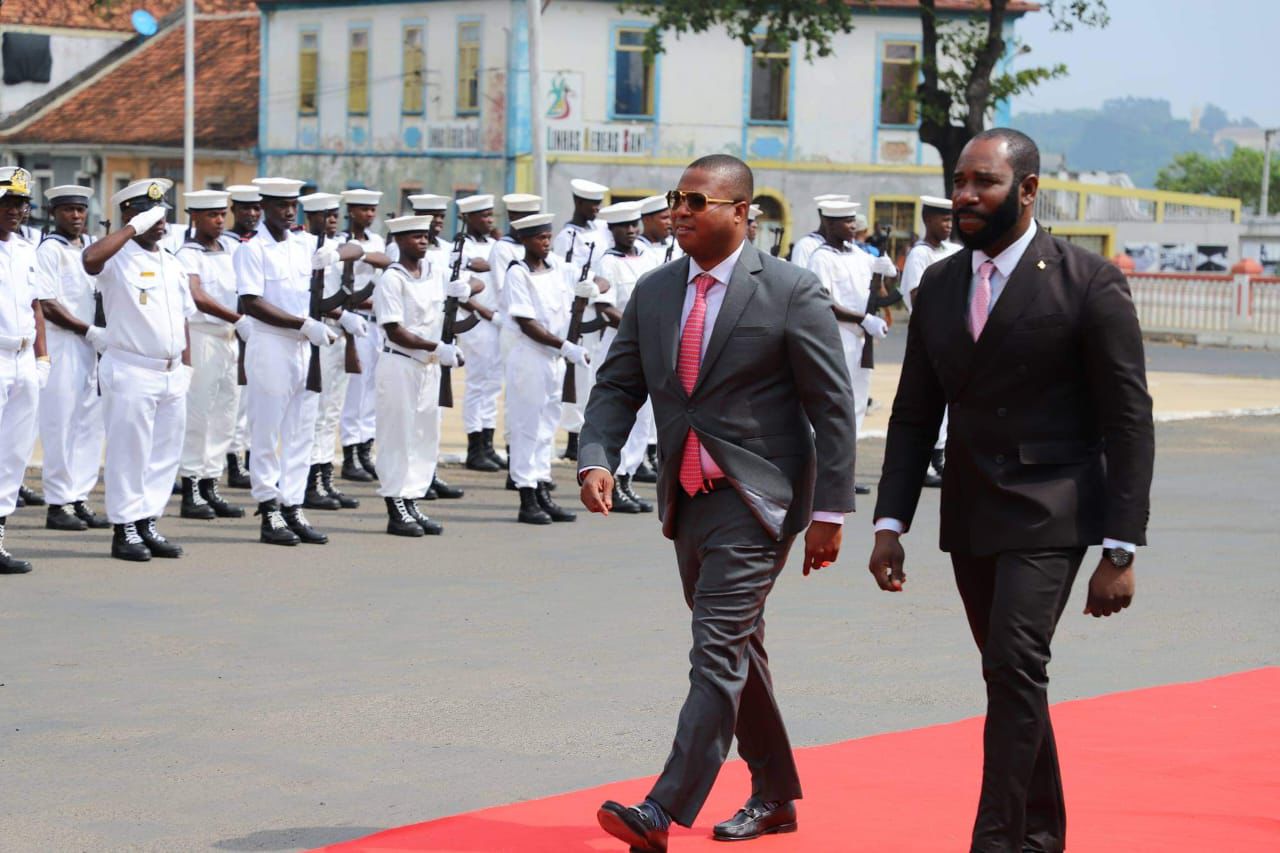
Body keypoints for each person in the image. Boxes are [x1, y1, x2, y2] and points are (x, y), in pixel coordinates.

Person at [867, 129, 1155, 853]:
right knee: (1010, 678)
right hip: (970, 510)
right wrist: (890, 520)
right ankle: (1041, 834)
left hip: (1053, 507)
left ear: (1027, 190)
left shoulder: (1086, 280)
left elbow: (1128, 419)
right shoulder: (937, 283)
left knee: (1015, 663)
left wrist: (1120, 545)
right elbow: (913, 413)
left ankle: (996, 841)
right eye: (960, 181)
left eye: (983, 182)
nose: (964, 195)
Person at [578, 155, 857, 851]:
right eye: (676, 200)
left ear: (742, 212)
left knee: (715, 651)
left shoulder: (791, 289)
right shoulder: (654, 291)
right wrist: (597, 456)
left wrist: (830, 512)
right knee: (739, 651)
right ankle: (775, 793)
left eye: (696, 201)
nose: (678, 212)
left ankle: (662, 808)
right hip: (690, 495)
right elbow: (617, 385)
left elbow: (832, 406)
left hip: (759, 498)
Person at [233, 177, 355, 547]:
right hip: (272, 344)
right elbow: (251, 302)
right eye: (281, 206)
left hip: (305, 347)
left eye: (292, 206)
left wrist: (334, 255)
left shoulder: (305, 245)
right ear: (265, 207)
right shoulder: (252, 249)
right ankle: (269, 508)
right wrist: (303, 323)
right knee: (267, 432)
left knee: (302, 430)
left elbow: (357, 252)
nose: (288, 212)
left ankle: (294, 505)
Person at [81, 178, 195, 562]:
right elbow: (89, 261)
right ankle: (124, 527)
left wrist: (186, 368)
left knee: (164, 453)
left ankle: (147, 520)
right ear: (129, 214)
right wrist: (132, 229)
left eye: (163, 212)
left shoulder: (172, 261)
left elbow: (183, 318)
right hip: (131, 369)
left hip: (171, 371)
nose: (160, 220)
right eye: (150, 213)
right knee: (130, 453)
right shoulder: (116, 257)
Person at [373, 214, 471, 536]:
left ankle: (413, 498)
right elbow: (394, 330)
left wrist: (467, 287)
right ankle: (395, 503)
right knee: (397, 436)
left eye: (425, 235)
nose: (422, 240)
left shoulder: (435, 272)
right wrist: (437, 346)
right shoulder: (393, 278)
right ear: (399, 241)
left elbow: (475, 284)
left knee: (424, 436)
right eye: (414, 236)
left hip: (428, 366)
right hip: (401, 363)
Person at [503, 213, 590, 524]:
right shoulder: (518, 273)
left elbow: (586, 284)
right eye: (540, 238)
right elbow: (527, 323)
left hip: (553, 359)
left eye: (548, 237)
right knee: (527, 428)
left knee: (546, 428)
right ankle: (526, 498)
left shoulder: (555, 269)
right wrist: (566, 347)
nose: (546, 242)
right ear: (525, 240)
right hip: (530, 357)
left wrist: (591, 288)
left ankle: (542, 490)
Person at [806, 200, 896, 495]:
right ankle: (821, 472)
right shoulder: (822, 258)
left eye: (853, 220)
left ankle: (844, 472)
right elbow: (824, 302)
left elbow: (880, 291)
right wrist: (863, 319)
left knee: (856, 406)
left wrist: (884, 270)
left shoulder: (859, 254)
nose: (852, 225)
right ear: (830, 224)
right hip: (837, 338)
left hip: (860, 340)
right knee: (833, 406)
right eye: (845, 221)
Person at [34, 184, 110, 532]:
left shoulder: (93, 246)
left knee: (88, 426)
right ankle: (57, 502)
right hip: (65, 343)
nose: (76, 216)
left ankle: (79, 496)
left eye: (80, 210)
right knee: (60, 425)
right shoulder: (50, 250)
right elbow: (48, 304)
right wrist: (88, 330)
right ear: (54, 214)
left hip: (92, 346)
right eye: (68, 210)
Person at [174, 189, 252, 520]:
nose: (219, 221)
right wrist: (237, 318)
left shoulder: (232, 248)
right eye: (211, 215)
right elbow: (197, 295)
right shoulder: (188, 254)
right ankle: (191, 486)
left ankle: (210, 483)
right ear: (195, 217)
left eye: (222, 214)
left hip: (229, 338)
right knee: (198, 414)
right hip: (203, 334)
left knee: (225, 413)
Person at [300, 191, 370, 512]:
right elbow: (309, 298)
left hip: (340, 335)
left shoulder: (338, 246)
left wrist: (338, 256)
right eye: (323, 215)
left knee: (331, 414)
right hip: (318, 333)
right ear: (309, 218)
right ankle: (309, 481)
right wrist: (343, 315)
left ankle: (326, 477)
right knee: (314, 413)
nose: (330, 220)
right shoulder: (301, 247)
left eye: (333, 215)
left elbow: (358, 249)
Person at [589, 201, 657, 514]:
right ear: (612, 230)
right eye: (624, 227)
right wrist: (640, 328)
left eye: (634, 225)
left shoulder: (649, 256)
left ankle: (627, 479)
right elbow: (604, 309)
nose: (631, 231)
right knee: (622, 416)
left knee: (643, 420)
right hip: (621, 345)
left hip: (650, 344)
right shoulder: (607, 263)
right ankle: (613, 480)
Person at [0, 169, 49, 573]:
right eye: (8, 203)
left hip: (23, 359)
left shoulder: (26, 249)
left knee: (13, 455)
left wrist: (42, 357)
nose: (16, 210)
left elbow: (37, 305)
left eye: (21, 203)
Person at [900, 194, 961, 488]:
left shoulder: (953, 250)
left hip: (953, 335)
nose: (948, 225)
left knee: (949, 400)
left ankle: (940, 455)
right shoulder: (919, 254)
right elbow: (915, 295)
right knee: (928, 398)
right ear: (928, 220)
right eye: (943, 219)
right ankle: (926, 460)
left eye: (951, 219)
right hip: (931, 334)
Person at [488, 192, 543, 488]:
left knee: (537, 402)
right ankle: (515, 459)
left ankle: (529, 463)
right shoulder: (503, 249)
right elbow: (501, 290)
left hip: (534, 327)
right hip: (513, 327)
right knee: (516, 397)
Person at [552, 179, 610, 462]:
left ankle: (586, 430)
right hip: (578, 309)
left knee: (593, 375)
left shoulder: (600, 231)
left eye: (599, 203)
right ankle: (574, 436)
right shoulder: (568, 237)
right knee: (578, 375)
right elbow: (562, 274)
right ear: (578, 203)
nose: (597, 208)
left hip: (597, 304)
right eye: (592, 204)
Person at [453, 193, 507, 474]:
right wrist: (490, 315)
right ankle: (475, 447)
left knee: (492, 385)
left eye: (490, 215)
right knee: (477, 384)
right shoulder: (460, 248)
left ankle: (487, 443)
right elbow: (460, 294)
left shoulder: (496, 245)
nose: (488, 220)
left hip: (496, 324)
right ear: (467, 219)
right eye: (482, 216)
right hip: (477, 323)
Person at [338, 188, 385, 483]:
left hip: (377, 322)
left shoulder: (377, 241)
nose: (369, 214)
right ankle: (350, 454)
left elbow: (385, 266)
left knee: (371, 391)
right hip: (354, 319)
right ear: (351, 211)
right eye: (363, 209)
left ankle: (366, 450)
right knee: (354, 393)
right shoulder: (342, 242)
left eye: (372, 209)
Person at [224, 184, 262, 489]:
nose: (251, 214)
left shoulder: (260, 243)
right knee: (234, 401)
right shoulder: (225, 243)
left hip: (257, 327)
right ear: (233, 210)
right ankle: (232, 460)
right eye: (245, 208)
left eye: (256, 208)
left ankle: (248, 456)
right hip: (230, 325)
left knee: (252, 399)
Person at [788, 193, 852, 269]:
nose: (852, 226)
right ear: (823, 216)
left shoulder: (850, 248)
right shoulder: (806, 246)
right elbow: (800, 278)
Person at [638, 193, 682, 265]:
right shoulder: (636, 248)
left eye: (671, 217)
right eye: (664, 218)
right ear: (647, 220)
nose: (670, 222)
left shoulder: (676, 245)